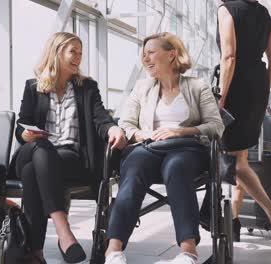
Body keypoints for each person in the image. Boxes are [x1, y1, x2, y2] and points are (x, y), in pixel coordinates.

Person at [104, 32, 224, 264]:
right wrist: (142, 134)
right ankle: (113, 250)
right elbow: (126, 124)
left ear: (171, 55)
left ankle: (188, 251)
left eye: (151, 52)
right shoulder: (142, 88)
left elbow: (216, 126)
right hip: (148, 147)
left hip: (186, 149)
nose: (146, 59)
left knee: (177, 167)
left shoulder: (197, 86)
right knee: (134, 169)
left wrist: (181, 131)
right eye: (144, 54)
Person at [11, 32, 126, 264]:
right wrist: (23, 133)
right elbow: (22, 123)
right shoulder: (33, 87)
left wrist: (113, 129)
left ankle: (35, 253)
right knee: (40, 148)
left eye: (80, 53)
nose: (78, 57)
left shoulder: (87, 87)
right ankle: (64, 231)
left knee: (32, 172)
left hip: (68, 158)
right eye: (73, 51)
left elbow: (100, 117)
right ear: (56, 52)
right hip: (31, 150)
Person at [216, 0, 271, 247]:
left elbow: (229, 56)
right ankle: (235, 221)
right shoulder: (263, 13)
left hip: (235, 88)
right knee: (239, 160)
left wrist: (220, 98)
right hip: (258, 87)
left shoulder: (226, 9)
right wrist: (262, 90)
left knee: (235, 162)